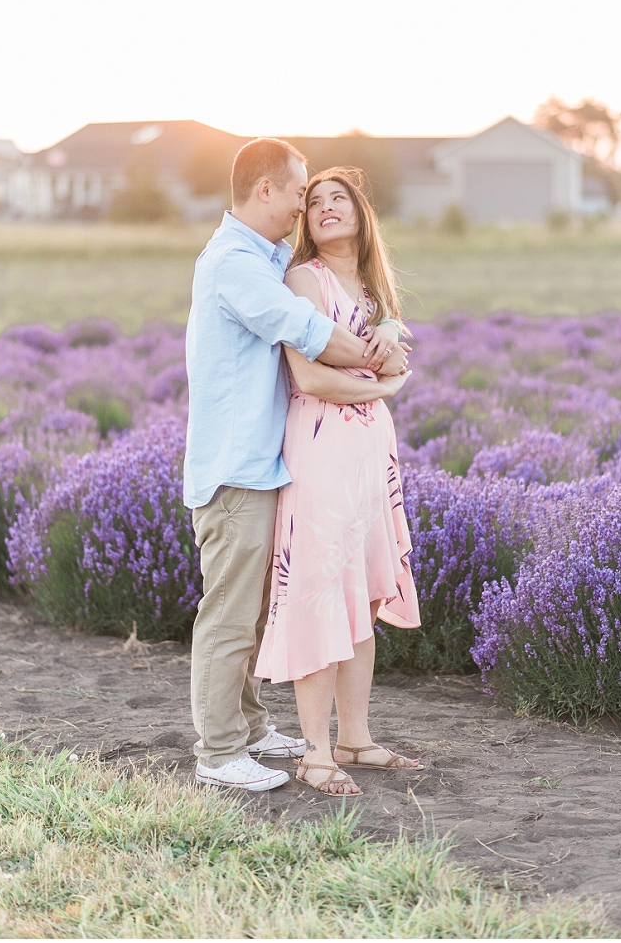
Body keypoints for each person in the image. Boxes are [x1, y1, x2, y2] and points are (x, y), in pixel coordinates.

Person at [185, 138, 408, 792]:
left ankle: (252, 729)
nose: (301, 207)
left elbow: (354, 301)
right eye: (298, 193)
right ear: (265, 191)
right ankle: (218, 750)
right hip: (235, 468)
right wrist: (383, 366)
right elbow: (313, 335)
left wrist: (389, 327)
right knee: (229, 613)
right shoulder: (236, 264)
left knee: (254, 609)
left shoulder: (266, 254)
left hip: (264, 463)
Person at [254, 166, 420, 796]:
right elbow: (311, 379)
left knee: (365, 594)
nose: (324, 207)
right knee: (319, 591)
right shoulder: (305, 278)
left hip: (369, 453)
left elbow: (397, 354)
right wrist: (383, 382)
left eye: (337, 199)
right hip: (321, 450)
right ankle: (315, 753)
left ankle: (356, 738)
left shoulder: (373, 292)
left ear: (359, 213)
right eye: (314, 201)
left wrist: (388, 339)